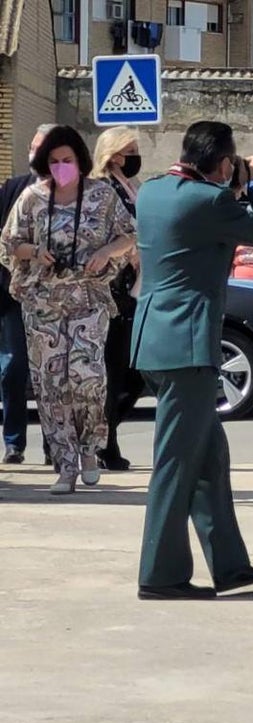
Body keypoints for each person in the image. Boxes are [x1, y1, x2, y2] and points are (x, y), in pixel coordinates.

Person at [131, 120, 253, 600]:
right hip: (187, 346)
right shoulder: (211, 201)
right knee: (177, 463)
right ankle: (161, 575)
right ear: (222, 163)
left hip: (154, 340)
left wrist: (231, 183)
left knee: (209, 459)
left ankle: (230, 565)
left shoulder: (153, 192)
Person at [0, 125, 136, 494]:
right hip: (43, 302)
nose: (61, 167)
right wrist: (34, 253)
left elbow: (129, 235)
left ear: (81, 161)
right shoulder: (31, 198)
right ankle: (64, 463)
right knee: (50, 384)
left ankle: (90, 449)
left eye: (68, 160)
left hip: (88, 299)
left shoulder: (101, 196)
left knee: (87, 378)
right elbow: (10, 242)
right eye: (55, 161)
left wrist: (107, 252)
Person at [90, 125, 148, 472]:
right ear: (113, 156)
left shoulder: (132, 188)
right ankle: (106, 444)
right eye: (131, 150)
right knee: (113, 371)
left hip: (135, 288)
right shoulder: (102, 190)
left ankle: (104, 434)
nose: (136, 157)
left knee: (136, 373)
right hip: (111, 290)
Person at [0, 123, 53, 465]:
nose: (37, 153)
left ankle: (55, 444)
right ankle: (14, 442)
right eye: (35, 147)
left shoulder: (71, 191)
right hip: (14, 294)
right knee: (14, 367)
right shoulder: (14, 188)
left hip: (55, 296)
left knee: (50, 372)